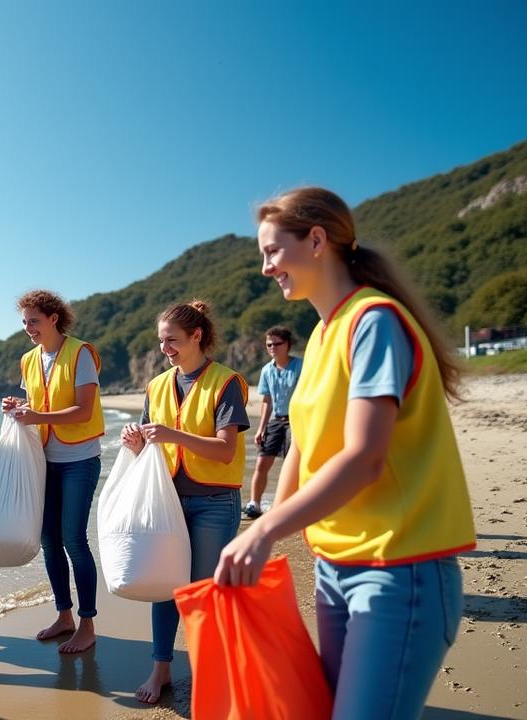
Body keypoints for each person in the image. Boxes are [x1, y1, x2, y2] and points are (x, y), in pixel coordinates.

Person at [215, 186, 475, 719]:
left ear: (316, 240)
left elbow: (364, 458)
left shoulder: (373, 321)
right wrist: (257, 542)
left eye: (271, 251)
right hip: (335, 567)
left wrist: (263, 530)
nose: (265, 267)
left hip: (399, 568)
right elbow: (301, 455)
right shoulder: (323, 334)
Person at [120, 300, 249, 704]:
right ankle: (161, 671)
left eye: (172, 341)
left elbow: (225, 451)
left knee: (201, 593)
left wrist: (173, 436)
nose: (165, 349)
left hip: (214, 503)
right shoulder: (157, 386)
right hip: (168, 503)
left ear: (197, 336)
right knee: (164, 588)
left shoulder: (226, 382)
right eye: (161, 342)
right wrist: (137, 443)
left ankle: (211, 672)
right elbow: (152, 449)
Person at [0, 289, 105, 655]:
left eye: (34, 321)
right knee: (49, 541)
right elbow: (37, 403)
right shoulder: (29, 359)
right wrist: (18, 407)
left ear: (54, 318)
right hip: (42, 460)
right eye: (25, 322)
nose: (29, 328)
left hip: (79, 459)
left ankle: (88, 624)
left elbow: (84, 409)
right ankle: (64, 616)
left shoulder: (81, 353)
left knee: (73, 539)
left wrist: (37, 416)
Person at [245, 325, 303, 518]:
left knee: (292, 464)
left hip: (296, 420)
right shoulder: (266, 370)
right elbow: (266, 401)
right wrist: (260, 429)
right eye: (269, 344)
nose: (273, 348)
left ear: (287, 345)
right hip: (276, 420)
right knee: (262, 462)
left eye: (277, 344)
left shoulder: (300, 366)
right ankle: (255, 503)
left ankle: (291, 503)